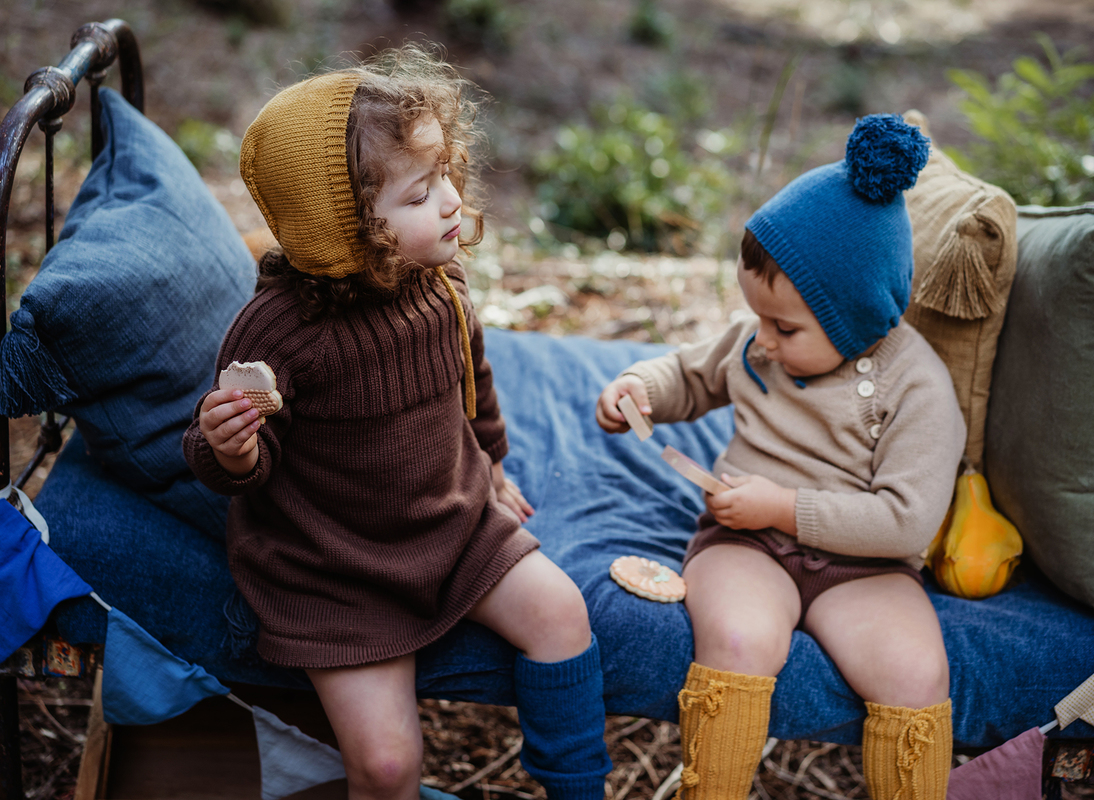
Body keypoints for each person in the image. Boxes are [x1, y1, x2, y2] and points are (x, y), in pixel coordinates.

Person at [183, 46, 611, 800]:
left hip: (454, 522)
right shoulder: (278, 334)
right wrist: (231, 446)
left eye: (445, 174)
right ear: (343, 226)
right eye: (419, 194)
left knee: (561, 613)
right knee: (386, 767)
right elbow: (236, 462)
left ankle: (576, 788)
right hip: (335, 568)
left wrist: (493, 464)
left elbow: (472, 378)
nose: (450, 202)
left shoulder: (438, 281)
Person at [596, 115, 966, 800]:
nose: (761, 340)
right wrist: (640, 387)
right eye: (758, 317)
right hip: (748, 540)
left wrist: (787, 507)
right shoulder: (758, 342)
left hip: (865, 565)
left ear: (856, 317)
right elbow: (690, 374)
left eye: (784, 327)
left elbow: (908, 520)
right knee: (739, 639)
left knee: (915, 673)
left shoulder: (917, 387)